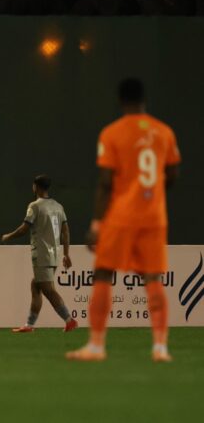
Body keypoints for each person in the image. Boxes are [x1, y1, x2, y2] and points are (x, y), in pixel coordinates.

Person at [67, 78, 180, 362]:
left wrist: (96, 223)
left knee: (103, 273)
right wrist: (152, 194)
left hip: (121, 216)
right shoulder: (164, 131)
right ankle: (160, 347)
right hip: (154, 216)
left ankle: (96, 346)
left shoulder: (112, 133)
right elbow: (172, 173)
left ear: (120, 101)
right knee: (153, 278)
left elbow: (106, 182)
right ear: (144, 100)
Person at [1, 175, 77, 333]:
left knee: (48, 290)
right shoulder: (58, 206)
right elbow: (66, 231)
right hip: (54, 254)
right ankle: (29, 325)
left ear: (36, 187)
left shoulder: (35, 206)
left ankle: (69, 320)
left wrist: (9, 236)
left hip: (42, 254)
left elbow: (24, 229)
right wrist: (66, 254)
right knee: (36, 286)